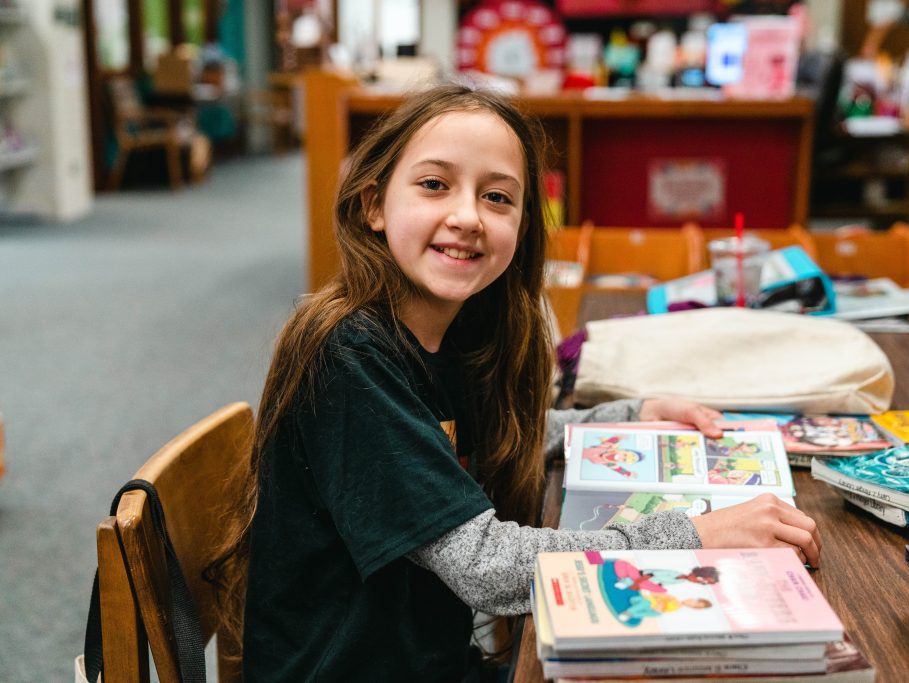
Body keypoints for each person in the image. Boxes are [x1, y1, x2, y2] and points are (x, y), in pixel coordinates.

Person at [207, 83, 822, 682]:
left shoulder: (446, 328)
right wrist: (697, 534)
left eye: (498, 198)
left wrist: (631, 414)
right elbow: (483, 567)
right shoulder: (348, 355)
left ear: (524, 224)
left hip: (427, 658)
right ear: (373, 205)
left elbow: (490, 433)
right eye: (433, 185)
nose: (468, 216)